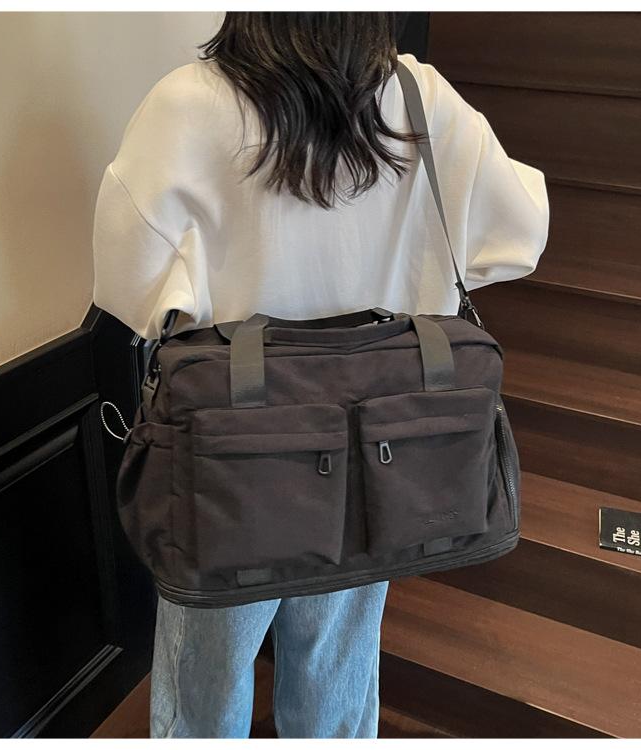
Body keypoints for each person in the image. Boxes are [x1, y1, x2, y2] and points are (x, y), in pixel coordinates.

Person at [91, 11, 549, 739]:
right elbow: (520, 234)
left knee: (205, 668)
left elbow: (129, 292)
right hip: (380, 427)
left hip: (232, 444)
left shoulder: (188, 103)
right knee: (338, 646)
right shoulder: (418, 96)